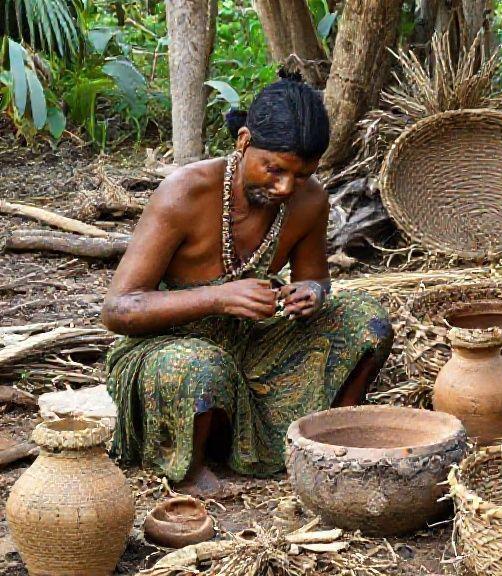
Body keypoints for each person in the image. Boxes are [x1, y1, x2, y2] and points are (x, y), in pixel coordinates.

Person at [102, 73, 394, 497]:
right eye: (273, 169)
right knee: (199, 368)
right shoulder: (184, 193)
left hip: (255, 342)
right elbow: (118, 310)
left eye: (302, 174)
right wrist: (219, 298)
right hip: (168, 344)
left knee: (368, 321)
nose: (284, 187)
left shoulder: (308, 200)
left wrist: (311, 294)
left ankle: (328, 438)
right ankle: (189, 466)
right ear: (243, 141)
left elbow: (316, 279)